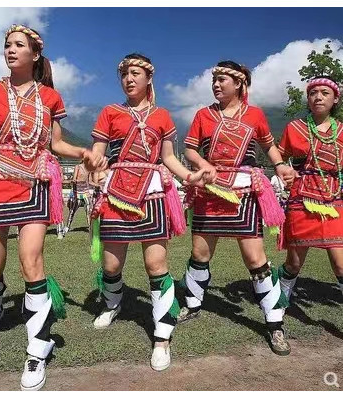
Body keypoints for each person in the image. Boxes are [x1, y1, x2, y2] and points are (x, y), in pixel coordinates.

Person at [0, 24, 105, 391]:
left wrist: (84, 152)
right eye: (7, 45)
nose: (10, 49)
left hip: (34, 183)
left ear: (35, 55)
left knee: (32, 262)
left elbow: (57, 143)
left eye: (19, 45)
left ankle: (37, 347)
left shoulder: (50, 97)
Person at [90, 53, 206, 371]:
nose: (129, 78)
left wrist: (188, 176)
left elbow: (168, 157)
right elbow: (98, 153)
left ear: (148, 78)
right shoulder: (109, 112)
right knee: (111, 265)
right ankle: (113, 304)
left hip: (152, 192)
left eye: (136, 73)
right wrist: (92, 163)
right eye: (125, 73)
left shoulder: (163, 116)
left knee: (156, 264)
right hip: (115, 191)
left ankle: (162, 336)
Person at [180, 60, 296, 356]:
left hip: (244, 190)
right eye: (214, 80)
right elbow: (190, 149)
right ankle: (192, 304)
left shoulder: (255, 115)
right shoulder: (203, 115)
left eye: (222, 80)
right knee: (199, 253)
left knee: (255, 258)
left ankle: (275, 323)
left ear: (239, 84)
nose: (216, 85)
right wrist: (205, 165)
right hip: (210, 189)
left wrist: (280, 165)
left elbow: (269, 146)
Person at [278, 76, 343, 300]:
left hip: (334, 201)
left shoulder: (342, 131)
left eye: (325, 93)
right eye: (313, 93)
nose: (318, 97)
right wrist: (285, 171)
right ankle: (280, 301)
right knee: (294, 263)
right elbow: (279, 155)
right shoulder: (294, 128)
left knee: (341, 265)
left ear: (335, 99)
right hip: (301, 201)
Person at [63, 162, 92, 234]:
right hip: (77, 192)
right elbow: (74, 178)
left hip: (86, 192)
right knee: (72, 210)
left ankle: (90, 228)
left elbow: (90, 181)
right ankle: (67, 227)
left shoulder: (89, 168)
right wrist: (74, 181)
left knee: (89, 211)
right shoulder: (78, 166)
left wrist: (98, 184)